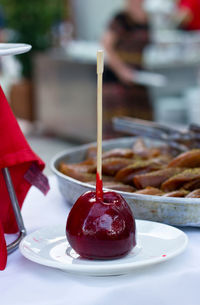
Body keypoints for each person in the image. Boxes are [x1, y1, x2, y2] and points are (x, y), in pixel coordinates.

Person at [102, 0, 152, 138]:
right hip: (116, 80)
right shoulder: (121, 18)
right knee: (118, 128)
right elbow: (106, 44)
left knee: (142, 126)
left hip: (138, 78)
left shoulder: (147, 19)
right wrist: (122, 71)